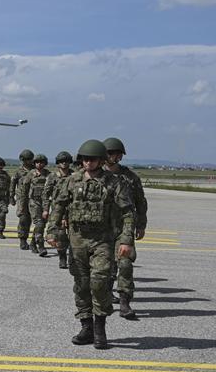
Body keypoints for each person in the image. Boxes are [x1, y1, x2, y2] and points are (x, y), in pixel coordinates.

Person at [47, 139, 134, 350]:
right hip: (77, 240)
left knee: (100, 282)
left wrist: (126, 240)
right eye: (85, 159)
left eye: (93, 159)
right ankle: (85, 326)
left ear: (101, 160)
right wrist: (52, 230)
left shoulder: (114, 182)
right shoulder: (72, 181)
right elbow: (58, 206)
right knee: (81, 284)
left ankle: (99, 328)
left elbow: (128, 213)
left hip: (102, 240)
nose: (88, 163)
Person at [104, 137, 147, 320]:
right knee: (104, 267)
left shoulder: (130, 177)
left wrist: (141, 224)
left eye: (118, 153)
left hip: (124, 228)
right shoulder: (96, 176)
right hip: (101, 229)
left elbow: (140, 202)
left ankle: (124, 302)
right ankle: (104, 297)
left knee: (125, 264)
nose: (116, 156)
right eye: (112, 153)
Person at [43, 151, 74, 270]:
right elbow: (46, 195)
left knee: (74, 235)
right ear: (57, 163)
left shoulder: (74, 176)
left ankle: (74, 259)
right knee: (60, 235)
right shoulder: (52, 177)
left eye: (66, 161)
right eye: (61, 161)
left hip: (72, 209)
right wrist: (46, 209)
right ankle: (62, 257)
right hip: (58, 209)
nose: (64, 163)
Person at [27, 154, 52, 256]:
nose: (39, 164)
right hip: (34, 202)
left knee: (42, 224)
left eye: (41, 162)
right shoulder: (30, 174)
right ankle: (41, 246)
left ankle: (33, 243)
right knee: (39, 223)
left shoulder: (49, 175)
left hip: (45, 202)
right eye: (37, 162)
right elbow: (23, 189)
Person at [12, 148, 36, 250]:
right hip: (22, 199)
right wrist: (11, 196)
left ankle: (34, 241)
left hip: (34, 198)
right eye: (26, 159)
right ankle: (23, 240)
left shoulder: (36, 170)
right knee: (23, 219)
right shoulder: (18, 172)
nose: (28, 161)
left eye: (30, 159)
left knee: (37, 220)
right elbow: (12, 184)